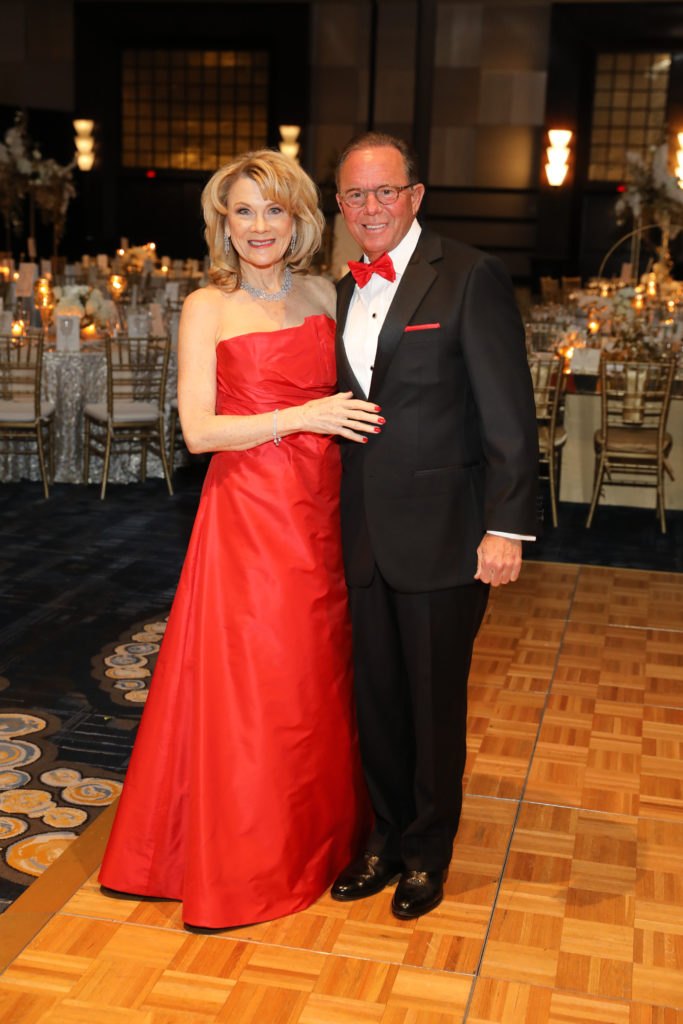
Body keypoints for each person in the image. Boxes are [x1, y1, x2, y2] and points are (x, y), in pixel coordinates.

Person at [99, 149, 382, 929]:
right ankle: (243, 857)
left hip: (324, 507)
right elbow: (197, 432)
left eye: (274, 210)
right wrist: (301, 416)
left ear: (299, 219)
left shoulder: (330, 290)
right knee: (256, 682)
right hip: (250, 515)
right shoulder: (206, 306)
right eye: (243, 211)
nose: (258, 226)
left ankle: (315, 840)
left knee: (314, 677)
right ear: (223, 222)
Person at [330, 132, 539, 920]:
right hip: (363, 536)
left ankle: (426, 851)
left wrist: (507, 529)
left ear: (416, 195)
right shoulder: (344, 287)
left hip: (446, 535)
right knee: (376, 698)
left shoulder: (469, 275)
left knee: (431, 703)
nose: (372, 207)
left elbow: (508, 415)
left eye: (386, 191)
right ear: (341, 206)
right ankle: (384, 836)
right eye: (357, 194)